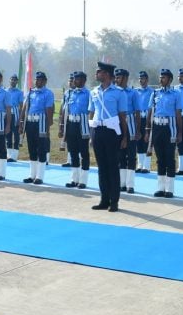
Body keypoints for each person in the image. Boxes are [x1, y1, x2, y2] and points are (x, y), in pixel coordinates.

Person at [88, 62, 128, 212]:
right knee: (101, 167)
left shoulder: (119, 93)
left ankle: (114, 201)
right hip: (98, 130)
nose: (96, 73)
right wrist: (91, 134)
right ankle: (104, 199)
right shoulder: (94, 92)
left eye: (99, 71)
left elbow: (123, 117)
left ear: (106, 74)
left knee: (112, 166)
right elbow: (91, 112)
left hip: (112, 131)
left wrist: (124, 137)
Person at [149, 69, 183, 198]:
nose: (160, 79)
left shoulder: (176, 94)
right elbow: (151, 112)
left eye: (163, 77)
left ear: (169, 79)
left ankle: (170, 189)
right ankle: (160, 188)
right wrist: (148, 129)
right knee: (160, 158)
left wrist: (179, 133)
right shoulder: (155, 93)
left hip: (170, 128)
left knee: (169, 158)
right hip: (157, 127)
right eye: (160, 77)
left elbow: (178, 115)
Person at [21, 71, 54, 185]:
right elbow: (25, 107)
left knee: (41, 149)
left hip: (41, 122)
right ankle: (32, 175)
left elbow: (49, 110)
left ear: (44, 81)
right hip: (30, 122)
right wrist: (21, 122)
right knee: (31, 148)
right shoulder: (31, 92)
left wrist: (48, 126)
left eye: (40, 79)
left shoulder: (48, 93)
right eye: (36, 79)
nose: (37, 81)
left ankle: (39, 176)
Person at [59, 71, 90, 188]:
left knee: (84, 153)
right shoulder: (69, 93)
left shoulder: (88, 94)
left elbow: (92, 111)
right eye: (74, 79)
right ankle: (74, 179)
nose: (75, 81)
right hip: (71, 124)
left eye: (77, 79)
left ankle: (83, 180)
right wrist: (62, 126)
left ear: (83, 81)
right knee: (73, 152)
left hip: (83, 124)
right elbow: (64, 110)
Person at [113, 68, 138, 193]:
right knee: (120, 155)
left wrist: (138, 130)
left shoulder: (133, 93)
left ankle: (130, 184)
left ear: (126, 78)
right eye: (116, 77)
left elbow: (137, 112)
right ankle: (122, 183)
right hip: (117, 123)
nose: (116, 80)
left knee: (131, 155)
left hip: (130, 123)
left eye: (119, 77)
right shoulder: (114, 92)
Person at [133, 72, 154, 174]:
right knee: (138, 141)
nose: (141, 80)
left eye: (143, 79)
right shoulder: (135, 91)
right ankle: (140, 165)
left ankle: (147, 166)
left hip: (147, 118)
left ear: (147, 80)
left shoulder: (152, 91)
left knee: (147, 141)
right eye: (140, 79)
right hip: (138, 118)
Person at [6, 74, 24, 162]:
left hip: (16, 113)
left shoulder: (19, 92)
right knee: (8, 135)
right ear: (9, 81)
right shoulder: (5, 91)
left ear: (17, 82)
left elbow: (21, 106)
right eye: (12, 79)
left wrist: (20, 119)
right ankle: (8, 155)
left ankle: (14, 156)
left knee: (16, 135)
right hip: (7, 113)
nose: (13, 81)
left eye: (15, 80)